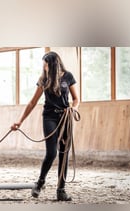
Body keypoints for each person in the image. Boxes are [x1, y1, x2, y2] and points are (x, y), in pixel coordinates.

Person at [11, 51, 80, 201]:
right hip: (49, 117)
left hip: (65, 116)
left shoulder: (68, 76)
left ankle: (61, 190)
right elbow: (32, 102)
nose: (44, 68)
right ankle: (40, 181)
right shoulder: (43, 79)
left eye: (46, 65)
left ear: (53, 64)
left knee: (64, 153)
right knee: (51, 153)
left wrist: (74, 109)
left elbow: (76, 99)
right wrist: (20, 121)